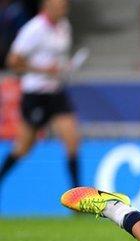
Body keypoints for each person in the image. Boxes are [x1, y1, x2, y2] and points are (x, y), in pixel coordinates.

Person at [0, 0, 81, 190]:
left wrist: (63, 68)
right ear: (46, 8)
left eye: (64, 7)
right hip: (35, 94)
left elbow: (57, 56)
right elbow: (13, 61)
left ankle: (78, 197)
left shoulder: (64, 26)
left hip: (56, 92)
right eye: (60, 7)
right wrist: (42, 70)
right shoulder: (34, 29)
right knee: (23, 148)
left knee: (72, 141)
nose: (63, 10)